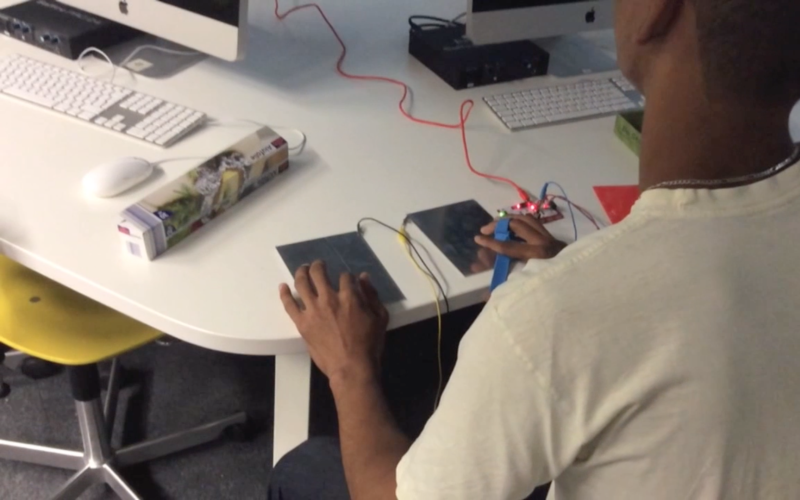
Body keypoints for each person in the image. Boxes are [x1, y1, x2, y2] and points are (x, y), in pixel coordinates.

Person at [270, 0, 800, 498]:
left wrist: (349, 368)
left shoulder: (556, 314)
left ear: (658, 11)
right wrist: (587, 274)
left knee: (303, 467)